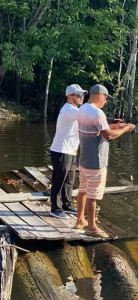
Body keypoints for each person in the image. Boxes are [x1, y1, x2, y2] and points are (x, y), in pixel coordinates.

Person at [74, 84, 135, 237]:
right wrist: (126, 129)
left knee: (83, 190)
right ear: (100, 95)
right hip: (97, 161)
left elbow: (100, 129)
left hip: (84, 160)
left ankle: (80, 220)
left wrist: (118, 125)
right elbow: (108, 135)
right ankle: (92, 227)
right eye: (106, 98)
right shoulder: (98, 112)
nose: (106, 101)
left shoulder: (82, 109)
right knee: (93, 194)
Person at [50, 84, 87, 219]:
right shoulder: (69, 110)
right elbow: (89, 116)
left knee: (70, 179)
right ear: (70, 97)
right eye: (78, 95)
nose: (81, 97)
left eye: (82, 95)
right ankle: (55, 208)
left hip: (71, 151)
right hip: (61, 150)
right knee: (59, 179)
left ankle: (67, 203)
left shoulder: (75, 111)